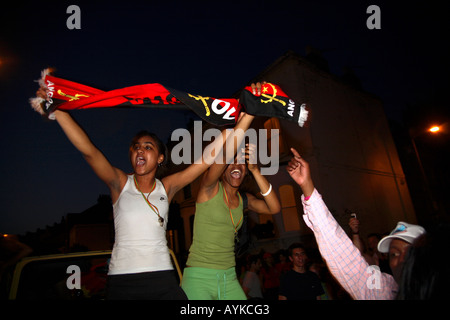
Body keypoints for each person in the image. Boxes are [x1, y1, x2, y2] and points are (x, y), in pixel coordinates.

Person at [35, 83, 260, 300]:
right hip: (123, 280)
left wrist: (236, 124)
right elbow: (90, 152)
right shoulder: (120, 183)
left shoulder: (168, 186)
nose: (140, 149)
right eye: (136, 146)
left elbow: (207, 159)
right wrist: (58, 110)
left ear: (160, 158)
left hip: (162, 277)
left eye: (148, 146)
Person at [286, 147, 425, 300]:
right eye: (394, 254)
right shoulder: (383, 290)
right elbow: (342, 253)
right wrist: (307, 185)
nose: (400, 260)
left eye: (409, 252)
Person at [181, 106, 281, 300]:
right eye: (231, 162)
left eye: (241, 162)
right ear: (223, 168)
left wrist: (255, 169)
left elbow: (274, 208)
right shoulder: (208, 188)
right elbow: (225, 154)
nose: (236, 166)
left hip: (229, 278)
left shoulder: (245, 200)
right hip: (198, 278)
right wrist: (245, 119)